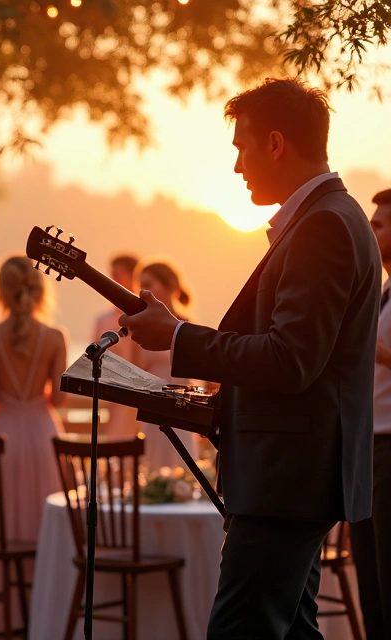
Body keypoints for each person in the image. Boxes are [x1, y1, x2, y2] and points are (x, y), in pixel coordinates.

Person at [120, 78, 379, 638]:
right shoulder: (330, 219)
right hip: (294, 477)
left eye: (242, 146)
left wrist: (181, 337)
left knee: (241, 630)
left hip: (286, 480)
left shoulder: (324, 227)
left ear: (277, 144)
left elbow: (291, 361)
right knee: (292, 630)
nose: (237, 165)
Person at [0, 255, 66, 543]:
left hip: (2, 437)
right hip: (44, 437)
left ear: (0, 292)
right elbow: (60, 400)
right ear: (41, 291)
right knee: (45, 517)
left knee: (1, 521)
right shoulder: (55, 337)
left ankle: (3, 585)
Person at [353, 187, 391, 640]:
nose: (369, 229)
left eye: (379, 224)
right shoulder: (382, 290)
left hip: (389, 448)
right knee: (371, 582)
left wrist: (373, 350)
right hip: (369, 446)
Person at [132, 258, 202, 470]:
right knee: (153, 465)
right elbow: (136, 369)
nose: (144, 291)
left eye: (150, 284)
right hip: (153, 403)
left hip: (182, 405)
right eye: (140, 285)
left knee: (183, 462)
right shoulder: (141, 327)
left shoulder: (190, 327)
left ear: (170, 284)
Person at [93, 253, 141, 437]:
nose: (113, 280)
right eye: (111, 275)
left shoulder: (145, 320)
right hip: (113, 400)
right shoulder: (102, 320)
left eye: (118, 275)